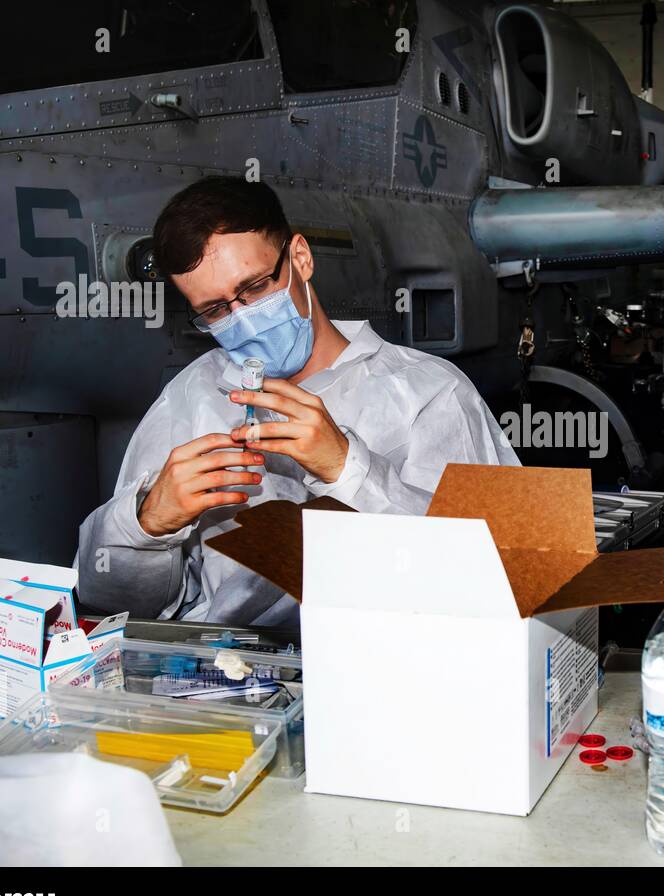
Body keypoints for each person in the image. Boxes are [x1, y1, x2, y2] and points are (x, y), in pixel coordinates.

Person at [77, 177, 517, 625]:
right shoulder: (194, 396)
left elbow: (502, 576)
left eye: (254, 289)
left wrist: (350, 469)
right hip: (224, 677)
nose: (242, 320)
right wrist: (146, 525)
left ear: (300, 259)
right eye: (215, 310)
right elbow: (112, 608)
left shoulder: (428, 393)